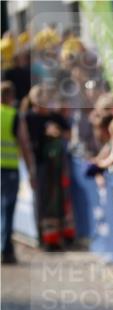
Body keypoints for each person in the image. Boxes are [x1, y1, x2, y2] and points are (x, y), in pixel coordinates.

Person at [23, 85, 75, 251]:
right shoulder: (29, 117)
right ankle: (45, 239)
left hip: (58, 166)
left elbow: (68, 133)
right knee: (43, 203)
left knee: (60, 201)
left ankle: (61, 237)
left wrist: (58, 132)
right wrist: (45, 134)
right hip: (40, 165)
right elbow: (27, 142)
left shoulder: (55, 117)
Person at [1, 80, 35, 264]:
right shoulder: (14, 115)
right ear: (11, 97)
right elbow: (24, 143)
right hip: (9, 168)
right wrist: (31, 171)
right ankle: (6, 251)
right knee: (7, 209)